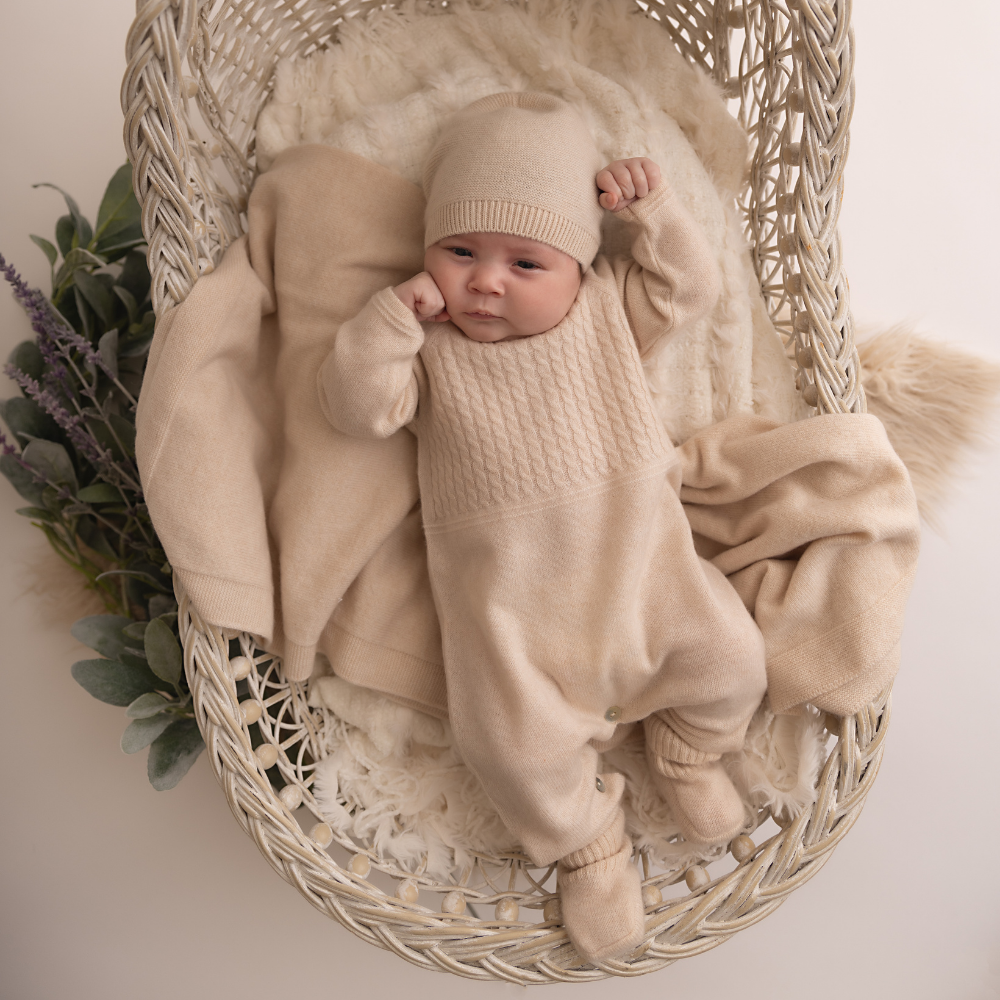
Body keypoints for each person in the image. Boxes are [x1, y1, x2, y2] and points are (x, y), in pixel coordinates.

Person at [318, 91, 767, 963]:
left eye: (527, 263)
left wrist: (654, 211)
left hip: (644, 578)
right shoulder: (432, 351)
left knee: (732, 659)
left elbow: (693, 286)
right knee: (506, 744)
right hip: (511, 616)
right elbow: (356, 411)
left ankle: (686, 748)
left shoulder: (606, 314)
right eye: (459, 252)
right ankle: (587, 844)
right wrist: (385, 326)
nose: (485, 281)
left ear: (578, 268)